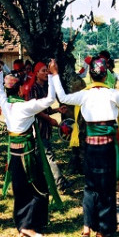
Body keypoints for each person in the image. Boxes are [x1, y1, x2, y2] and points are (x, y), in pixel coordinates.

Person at [50, 57, 119, 237]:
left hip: (90, 147)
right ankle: (102, 230)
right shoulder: (113, 93)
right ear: (106, 75)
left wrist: (56, 75)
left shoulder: (85, 94)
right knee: (106, 188)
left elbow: (64, 98)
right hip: (107, 147)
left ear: (90, 75)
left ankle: (86, 229)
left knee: (90, 188)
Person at [0, 65, 61, 237]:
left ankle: (23, 225)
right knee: (38, 189)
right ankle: (28, 226)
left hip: (14, 155)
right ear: (19, 89)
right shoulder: (26, 107)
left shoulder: (5, 103)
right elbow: (50, 99)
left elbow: (0, 90)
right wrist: (53, 77)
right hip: (27, 154)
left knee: (20, 190)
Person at [27, 62, 72, 192]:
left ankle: (39, 182)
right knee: (48, 156)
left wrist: (57, 110)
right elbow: (35, 110)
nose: (46, 73)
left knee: (40, 157)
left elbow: (45, 109)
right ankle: (60, 183)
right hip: (38, 128)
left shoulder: (44, 88)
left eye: (47, 70)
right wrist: (49, 119)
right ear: (36, 73)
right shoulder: (33, 89)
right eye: (43, 71)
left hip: (45, 128)